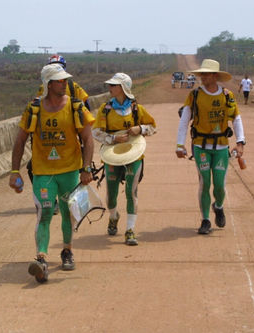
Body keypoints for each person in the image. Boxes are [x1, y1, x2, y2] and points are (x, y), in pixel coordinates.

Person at [9, 63, 95, 283]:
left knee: (68, 213)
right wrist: (14, 171)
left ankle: (67, 251)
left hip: (69, 171)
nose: (65, 83)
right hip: (43, 172)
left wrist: (86, 168)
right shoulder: (34, 109)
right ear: (48, 84)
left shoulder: (75, 107)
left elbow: (87, 139)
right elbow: (20, 140)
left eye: (65, 79)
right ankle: (41, 259)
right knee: (45, 212)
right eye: (59, 80)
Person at [176, 59, 246, 234]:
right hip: (200, 145)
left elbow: (236, 118)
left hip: (221, 147)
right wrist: (179, 144)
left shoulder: (227, 96)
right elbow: (185, 120)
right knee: (205, 182)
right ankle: (205, 220)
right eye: (202, 74)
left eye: (206, 74)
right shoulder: (195, 95)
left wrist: (240, 142)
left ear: (215, 76)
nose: (203, 77)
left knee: (220, 184)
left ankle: (219, 205)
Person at [92, 73, 156, 245]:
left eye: (114, 85)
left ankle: (130, 230)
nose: (110, 88)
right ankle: (113, 216)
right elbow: (95, 132)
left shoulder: (137, 109)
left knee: (131, 192)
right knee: (111, 194)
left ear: (123, 88)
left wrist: (140, 128)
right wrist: (112, 139)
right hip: (112, 156)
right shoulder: (105, 109)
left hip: (134, 156)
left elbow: (152, 127)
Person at [29, 54, 91, 215]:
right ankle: (52, 199)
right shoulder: (45, 87)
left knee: (81, 160)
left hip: (71, 126)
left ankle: (74, 199)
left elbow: (86, 104)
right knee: (32, 167)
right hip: (52, 132)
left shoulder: (73, 86)